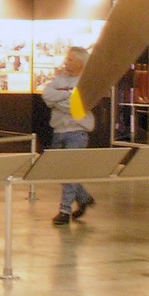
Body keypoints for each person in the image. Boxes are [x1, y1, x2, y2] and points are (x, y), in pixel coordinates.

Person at [41, 47, 96, 226]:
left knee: (70, 170)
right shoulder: (60, 80)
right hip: (58, 131)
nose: (66, 62)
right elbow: (47, 95)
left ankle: (64, 210)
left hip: (77, 132)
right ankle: (84, 197)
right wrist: (67, 96)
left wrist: (60, 102)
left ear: (80, 63)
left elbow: (78, 107)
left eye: (70, 59)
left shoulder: (87, 82)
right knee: (61, 172)